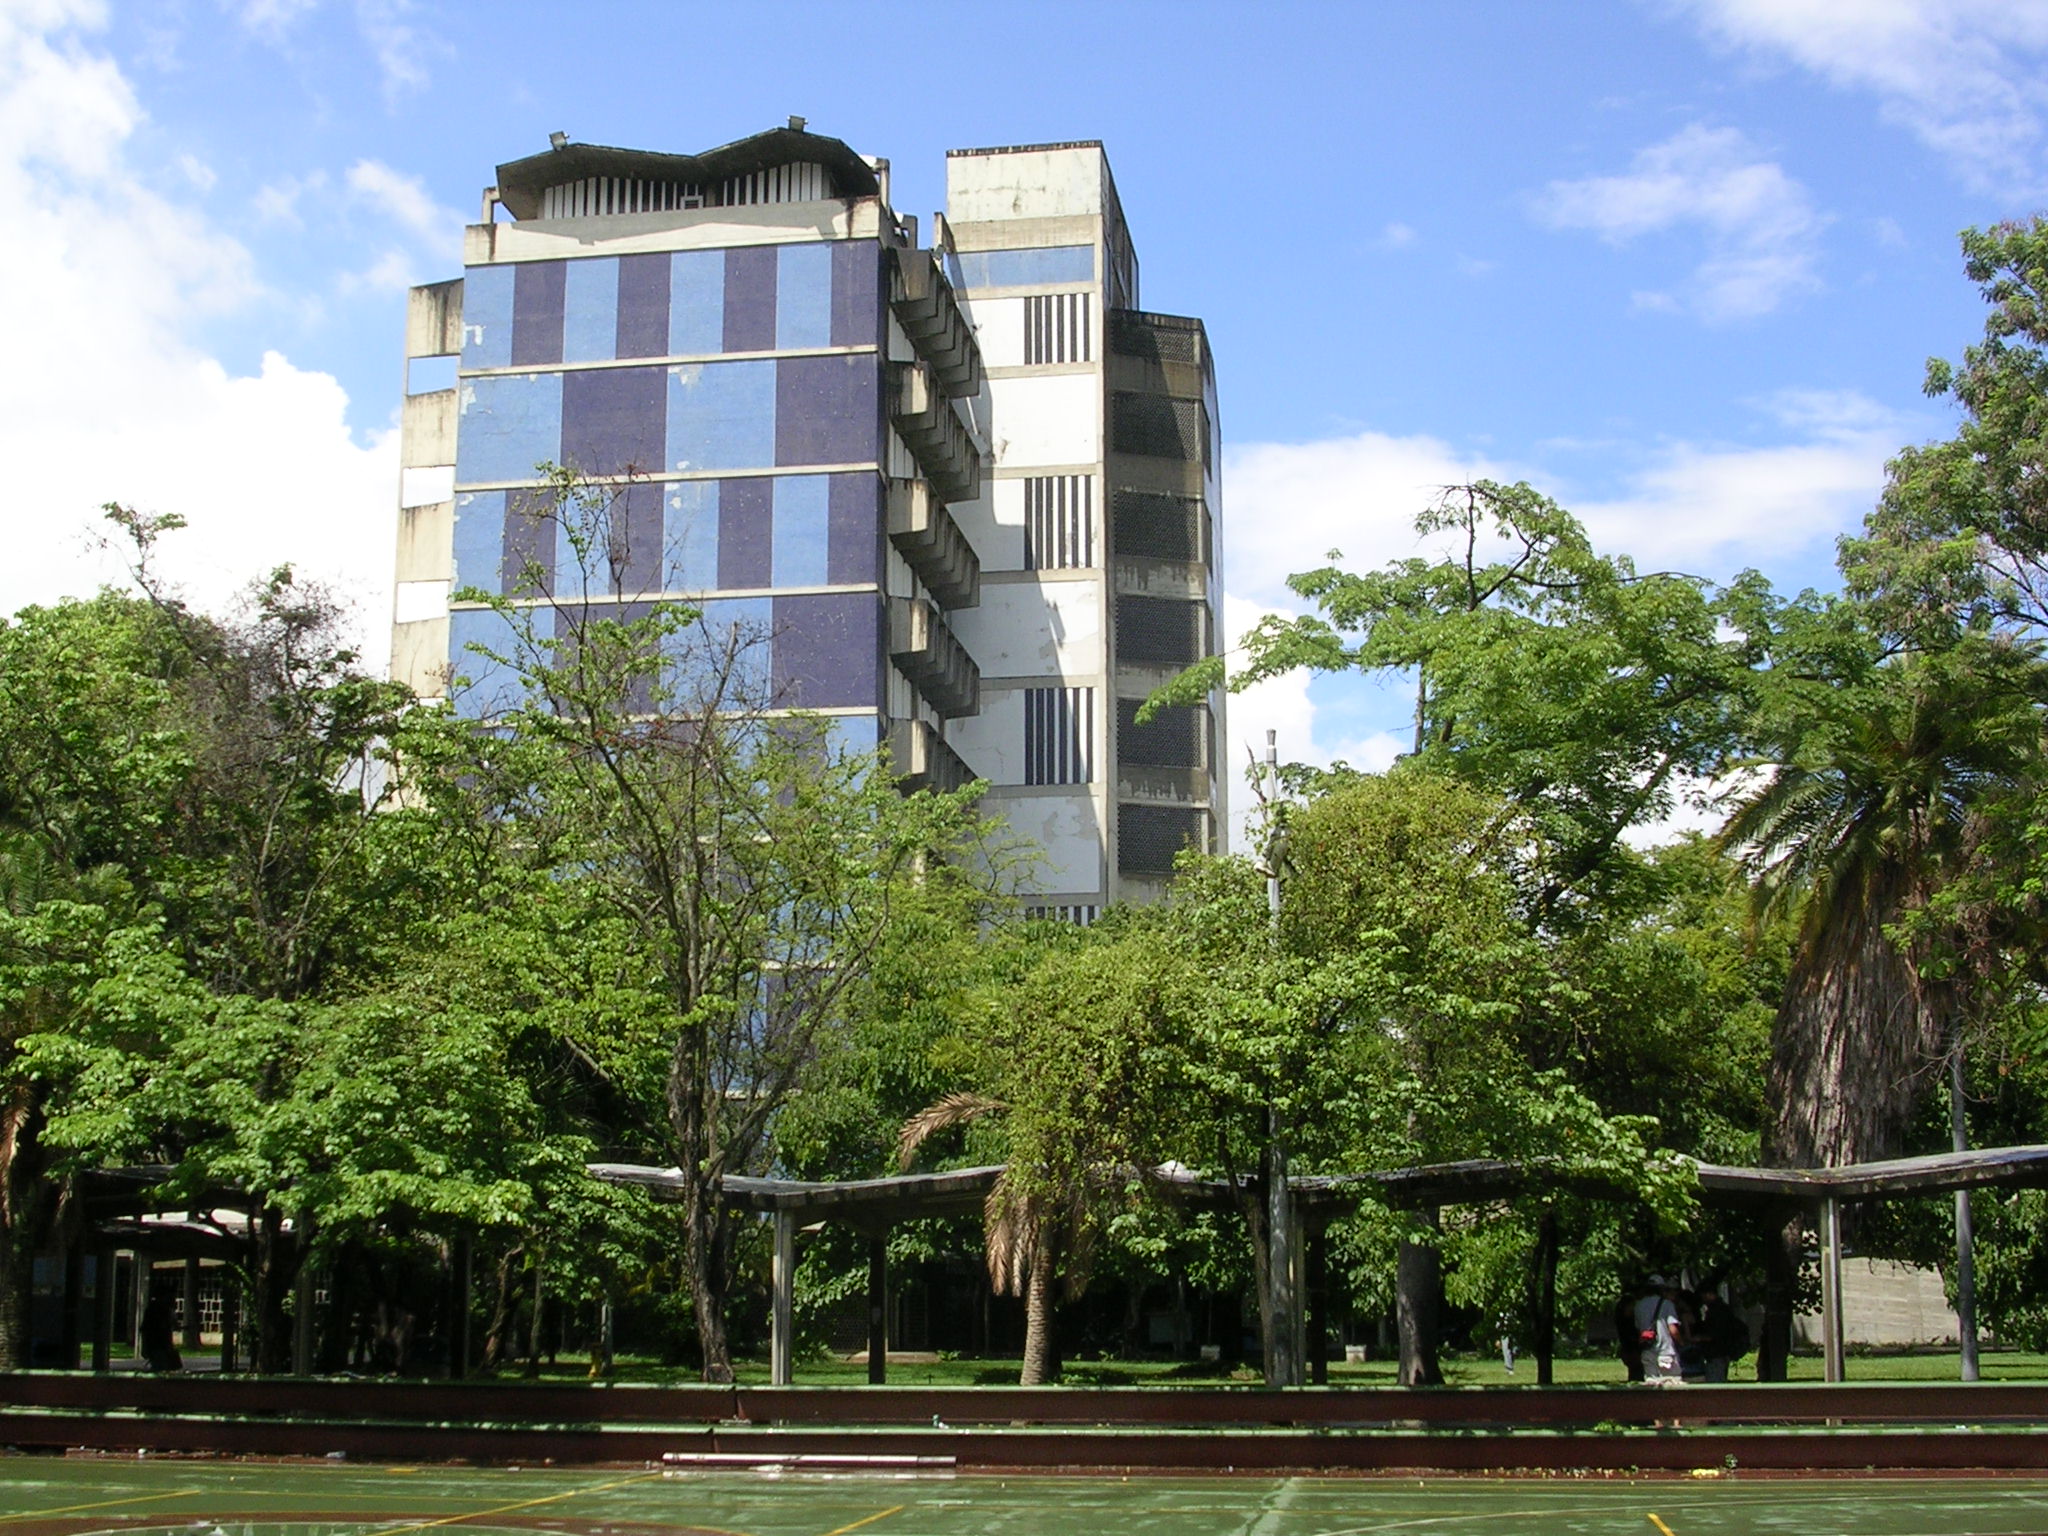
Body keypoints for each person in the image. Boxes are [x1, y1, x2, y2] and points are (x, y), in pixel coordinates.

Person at [1633, 1275, 1684, 1384]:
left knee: (1652, 1387)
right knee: (1673, 1387)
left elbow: (1639, 1329)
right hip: (1666, 1352)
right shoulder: (1667, 1304)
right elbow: (1673, 1330)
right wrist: (1682, 1343)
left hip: (1647, 1352)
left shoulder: (1638, 1305)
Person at [1695, 1284, 1751, 1383]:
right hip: (1722, 1352)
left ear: (1709, 1294)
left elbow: (1715, 1334)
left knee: (1715, 1383)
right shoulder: (1723, 1309)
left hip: (1717, 1353)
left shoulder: (1716, 1311)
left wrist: (1700, 1338)